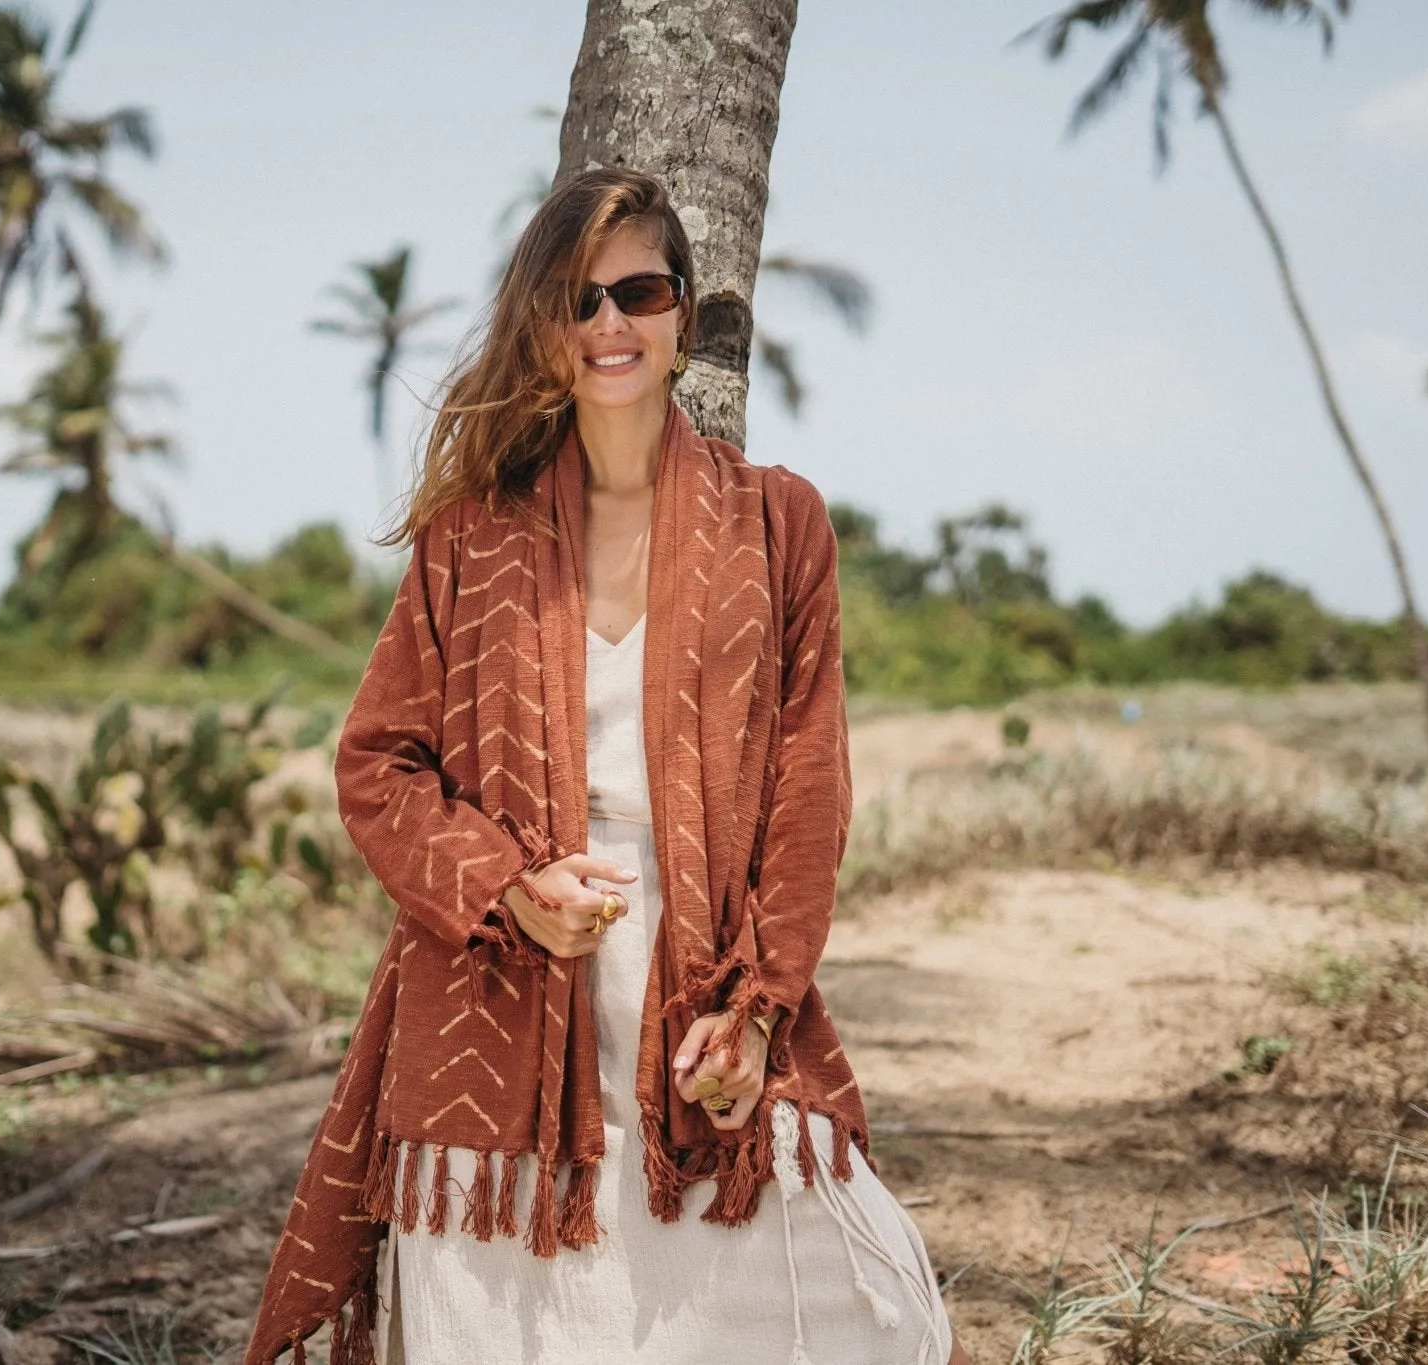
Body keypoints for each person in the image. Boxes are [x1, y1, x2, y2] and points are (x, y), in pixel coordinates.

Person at [243, 167, 970, 1365]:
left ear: (684, 315)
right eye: (578, 299)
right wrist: (506, 887)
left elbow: (808, 788)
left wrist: (757, 1005)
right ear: (542, 322)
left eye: (638, 293)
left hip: (697, 996)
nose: (607, 326)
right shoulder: (469, 534)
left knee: (861, 1310)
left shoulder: (777, 522)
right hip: (498, 1011)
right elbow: (378, 763)